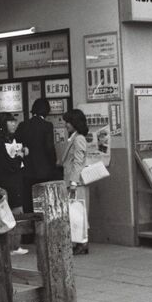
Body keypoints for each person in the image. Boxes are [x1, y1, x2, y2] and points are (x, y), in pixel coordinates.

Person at [0, 112, 28, 255]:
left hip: (13, 180)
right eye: (10, 122)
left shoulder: (9, 139)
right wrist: (19, 157)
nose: (14, 124)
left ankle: (13, 245)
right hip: (8, 181)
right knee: (14, 211)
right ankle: (12, 245)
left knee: (14, 211)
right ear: (3, 124)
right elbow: (8, 164)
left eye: (14, 122)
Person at [17, 98, 57, 214]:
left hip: (27, 171)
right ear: (46, 111)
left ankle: (29, 230)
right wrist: (53, 163)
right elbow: (49, 147)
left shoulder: (23, 125)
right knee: (43, 203)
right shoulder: (47, 125)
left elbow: (17, 146)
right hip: (44, 172)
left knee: (29, 203)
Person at [62, 108, 89, 255]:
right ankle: (80, 242)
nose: (66, 124)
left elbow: (78, 162)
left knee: (77, 212)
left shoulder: (78, 139)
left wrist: (73, 182)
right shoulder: (75, 137)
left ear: (74, 122)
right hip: (73, 181)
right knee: (76, 212)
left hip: (75, 182)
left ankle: (82, 243)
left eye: (68, 121)